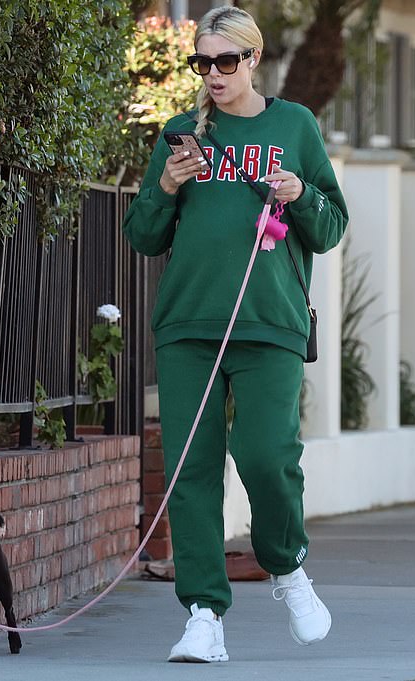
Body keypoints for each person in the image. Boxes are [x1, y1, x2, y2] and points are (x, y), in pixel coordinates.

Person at [122, 5, 349, 663]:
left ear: (253, 59)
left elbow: (330, 227)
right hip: (188, 324)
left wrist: (301, 190)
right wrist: (166, 183)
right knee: (191, 472)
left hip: (270, 322)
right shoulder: (177, 133)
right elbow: (141, 234)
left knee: (265, 455)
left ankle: (287, 564)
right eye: (204, 62)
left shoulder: (294, 125)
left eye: (227, 60)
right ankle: (203, 615)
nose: (214, 74)